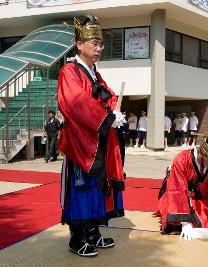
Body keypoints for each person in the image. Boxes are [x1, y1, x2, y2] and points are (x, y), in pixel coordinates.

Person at [58, 15, 126, 257]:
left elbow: (107, 95)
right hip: (79, 142)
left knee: (98, 186)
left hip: (96, 140)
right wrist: (107, 118)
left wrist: (115, 110)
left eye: (101, 44)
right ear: (79, 44)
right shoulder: (69, 71)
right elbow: (75, 104)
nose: (99, 48)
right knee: (81, 188)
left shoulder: (94, 72)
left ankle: (93, 232)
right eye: (94, 43)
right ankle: (77, 238)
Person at [157, 128, 208, 239]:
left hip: (199, 197)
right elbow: (177, 191)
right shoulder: (182, 160)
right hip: (175, 197)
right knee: (188, 225)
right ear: (202, 152)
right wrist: (185, 223)